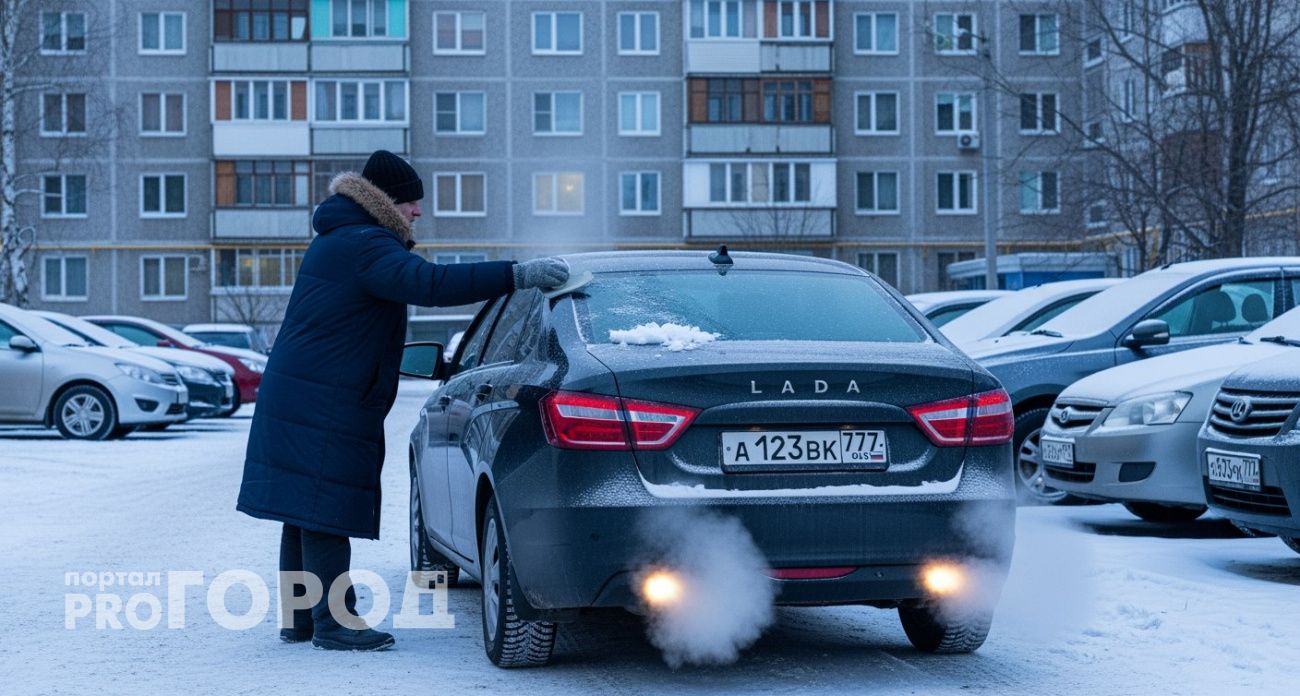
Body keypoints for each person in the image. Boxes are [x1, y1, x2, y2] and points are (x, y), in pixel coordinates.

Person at [236, 150, 568, 651]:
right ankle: (334, 624)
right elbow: (430, 283)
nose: (417, 212)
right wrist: (515, 275)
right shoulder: (365, 243)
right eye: (411, 202)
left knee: (302, 505)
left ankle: (302, 619)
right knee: (323, 504)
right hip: (325, 397)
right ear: (386, 202)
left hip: (305, 391)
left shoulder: (339, 238)